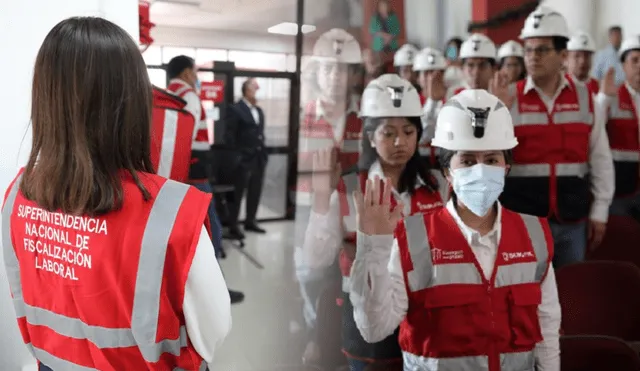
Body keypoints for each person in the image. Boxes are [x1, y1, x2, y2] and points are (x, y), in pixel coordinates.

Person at [1, 17, 231, 370]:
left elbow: (22, 294)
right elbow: (214, 331)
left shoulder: (18, 193)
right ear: (135, 100)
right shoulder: (171, 210)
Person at [348, 89, 561, 371]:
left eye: (492, 160)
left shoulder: (534, 235)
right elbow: (374, 329)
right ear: (448, 172)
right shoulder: (412, 238)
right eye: (468, 161)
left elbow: (546, 329)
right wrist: (372, 249)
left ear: (506, 167)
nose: (481, 171)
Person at [302, 74, 443, 371]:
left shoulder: (437, 187)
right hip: (366, 311)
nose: (399, 142)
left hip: (426, 314)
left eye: (408, 131)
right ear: (369, 137)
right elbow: (316, 258)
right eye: (387, 132)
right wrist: (319, 200)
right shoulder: (349, 187)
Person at [493, 5, 615, 268]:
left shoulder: (584, 97)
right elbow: (491, 161)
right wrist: (497, 113)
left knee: (571, 296)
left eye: (541, 50)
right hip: (522, 222)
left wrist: (600, 210)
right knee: (526, 298)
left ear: (562, 55)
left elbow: (601, 158)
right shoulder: (508, 97)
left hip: (572, 220)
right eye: (528, 49)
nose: (532, 57)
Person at [295, 27, 363, 366]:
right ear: (318, 72)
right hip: (310, 208)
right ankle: (316, 336)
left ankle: (344, 336)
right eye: (328, 68)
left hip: (353, 210)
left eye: (342, 69)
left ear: (352, 74)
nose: (335, 76)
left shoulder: (366, 115)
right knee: (311, 275)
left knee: (348, 277)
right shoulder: (302, 115)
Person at [167, 56, 245, 302]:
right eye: (194, 70)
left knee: (184, 232)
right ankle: (215, 291)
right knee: (212, 230)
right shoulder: (188, 95)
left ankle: (190, 288)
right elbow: (184, 135)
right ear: (187, 72)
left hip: (177, 173)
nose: (196, 76)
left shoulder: (168, 94)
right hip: (194, 172)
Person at [601, 35, 640, 217]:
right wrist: (603, 100)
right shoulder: (612, 97)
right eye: (635, 60)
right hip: (618, 191)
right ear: (624, 66)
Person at [225, 78, 268, 237]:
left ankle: (251, 221)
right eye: (253, 88)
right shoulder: (235, 109)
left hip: (258, 158)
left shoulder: (259, 111)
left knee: (255, 191)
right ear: (246, 90)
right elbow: (229, 135)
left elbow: (260, 133)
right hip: (243, 159)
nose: (256, 91)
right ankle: (234, 225)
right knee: (237, 193)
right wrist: (237, 156)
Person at [412, 48, 449, 199]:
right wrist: (432, 102)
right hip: (419, 166)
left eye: (436, 73)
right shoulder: (411, 102)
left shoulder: (452, 100)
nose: (431, 78)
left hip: (445, 165)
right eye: (426, 73)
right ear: (418, 78)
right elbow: (420, 136)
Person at [448, 33, 497, 98]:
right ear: (462, 68)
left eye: (482, 65)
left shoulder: (503, 97)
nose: (476, 72)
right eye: (470, 65)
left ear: (493, 69)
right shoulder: (452, 96)